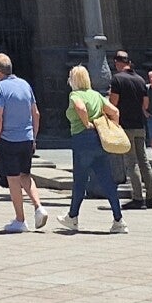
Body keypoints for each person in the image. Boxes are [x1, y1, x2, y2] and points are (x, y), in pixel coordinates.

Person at [57, 65, 125, 235]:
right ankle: (119, 220)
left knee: (80, 180)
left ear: (74, 80)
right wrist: (112, 128)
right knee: (107, 180)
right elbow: (115, 111)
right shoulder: (96, 95)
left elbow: (80, 108)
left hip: (82, 140)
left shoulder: (75, 95)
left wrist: (86, 123)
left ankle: (72, 217)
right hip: (99, 140)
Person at [0, 54, 46, 232]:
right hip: (27, 138)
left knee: (13, 179)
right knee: (25, 175)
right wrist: (34, 136)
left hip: (9, 139)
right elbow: (36, 113)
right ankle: (38, 207)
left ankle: (20, 220)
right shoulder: (25, 85)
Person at [109, 52, 152, 209]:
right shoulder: (140, 80)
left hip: (125, 126)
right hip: (140, 125)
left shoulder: (117, 79)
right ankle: (151, 198)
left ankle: (137, 198)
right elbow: (146, 104)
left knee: (131, 161)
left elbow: (113, 103)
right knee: (144, 161)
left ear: (118, 63)